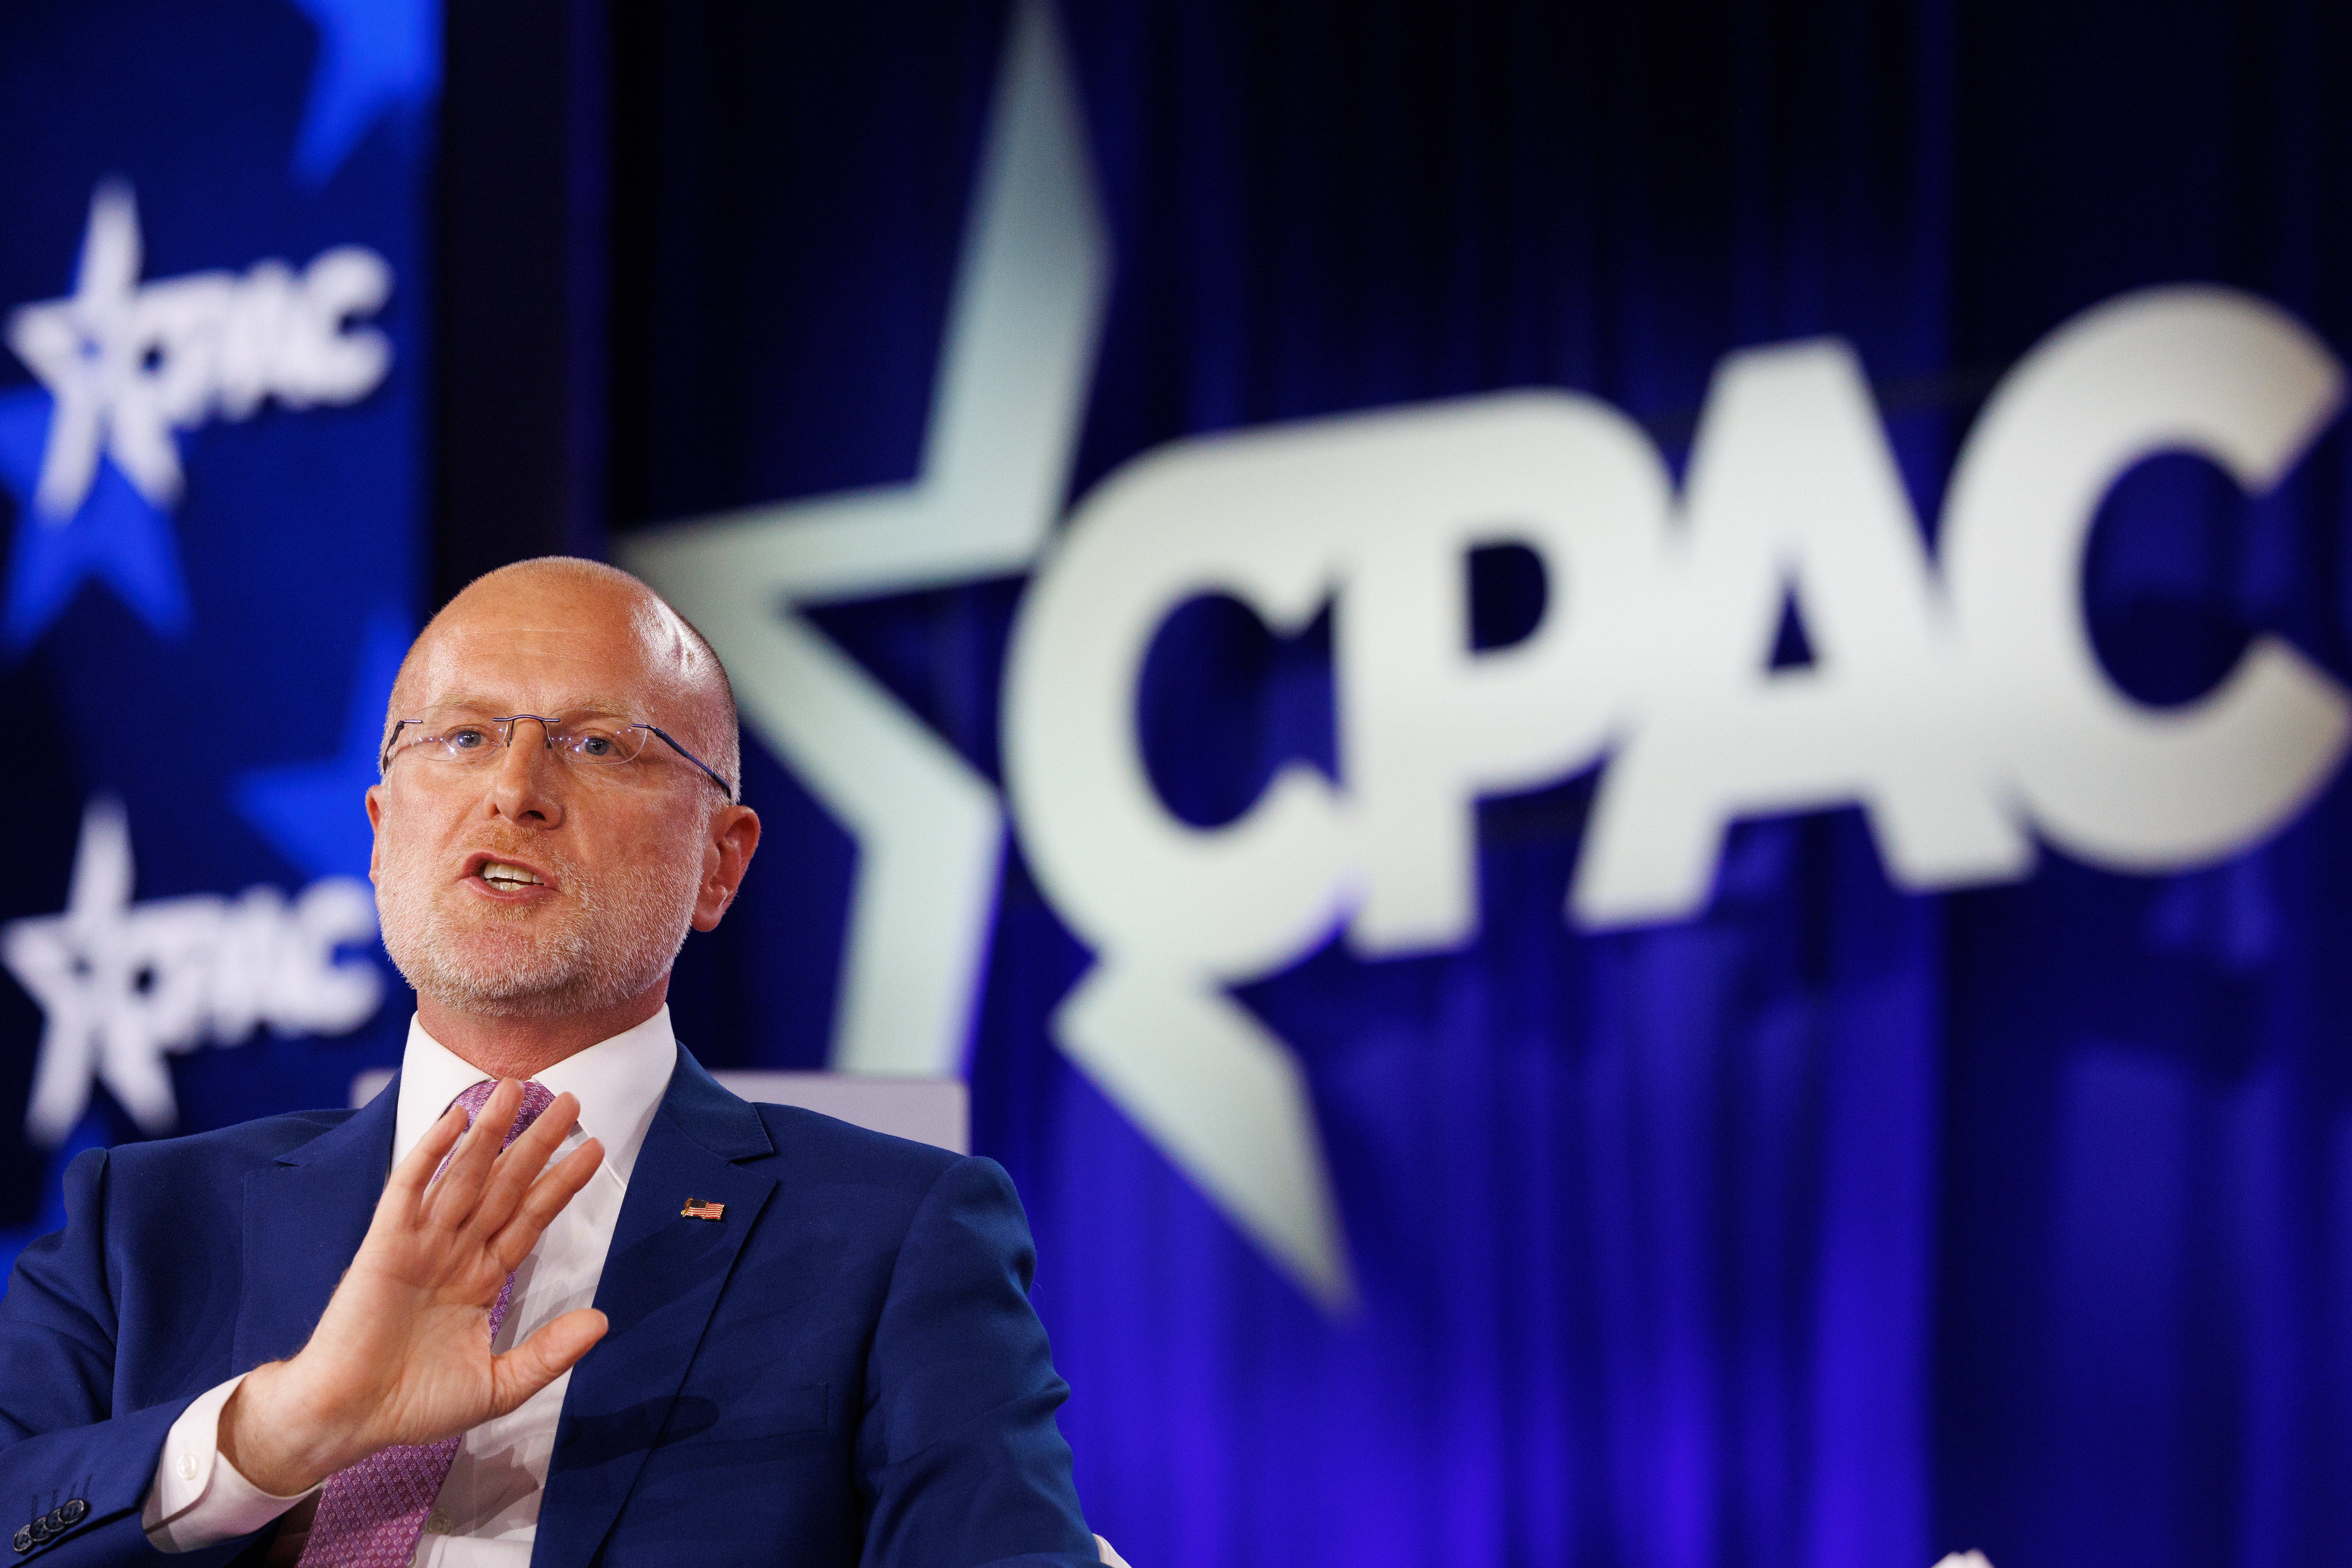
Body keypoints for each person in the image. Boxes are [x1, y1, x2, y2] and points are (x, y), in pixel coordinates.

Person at [0, 559, 1108, 1567]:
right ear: (383, 835)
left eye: (598, 743)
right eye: (463, 736)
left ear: (721, 864)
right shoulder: (142, 1224)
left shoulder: (893, 1235)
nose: (515, 788)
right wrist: (268, 1436)